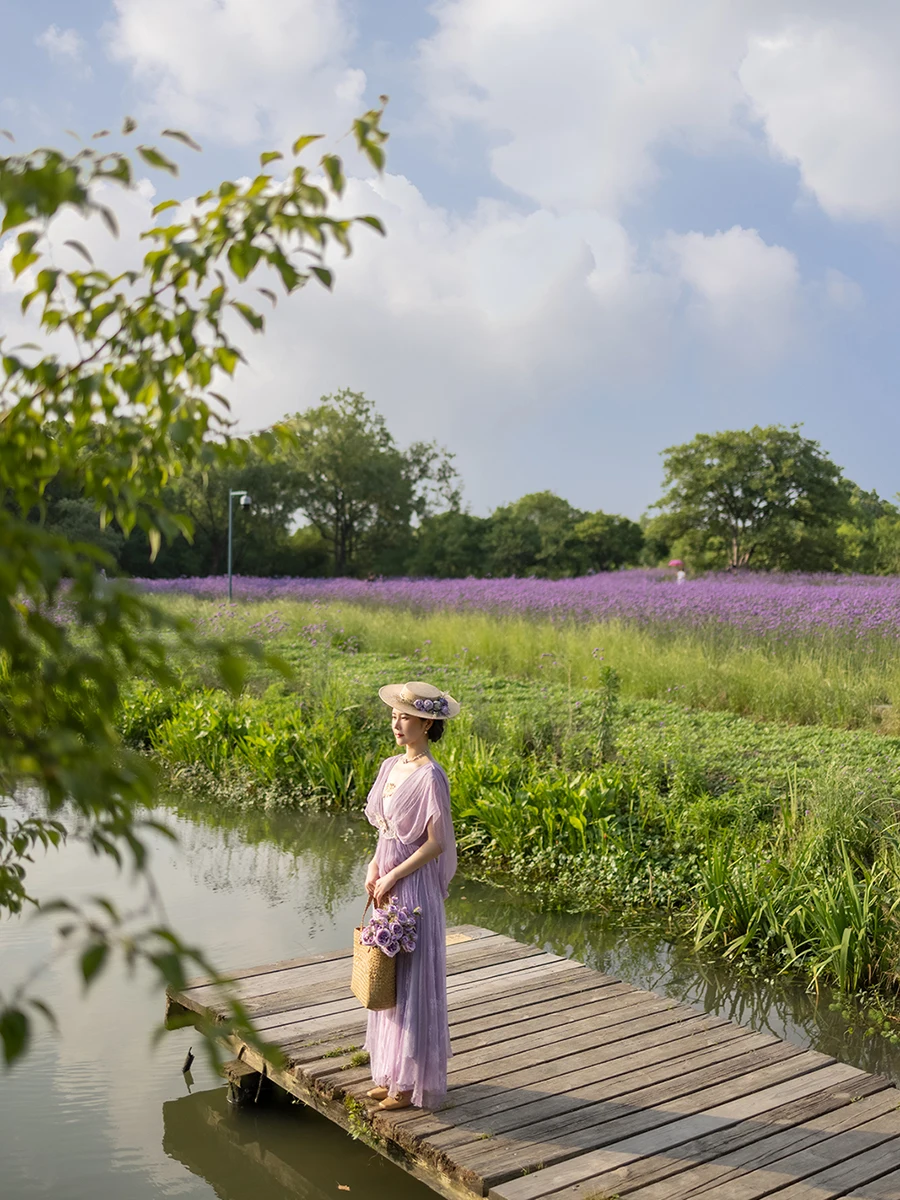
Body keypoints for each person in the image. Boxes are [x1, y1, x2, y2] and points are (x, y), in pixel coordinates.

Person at [362, 680, 459, 1112]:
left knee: (415, 981)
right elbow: (384, 831)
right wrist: (373, 868)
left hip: (414, 886)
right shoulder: (390, 766)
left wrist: (393, 875)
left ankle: (409, 1084)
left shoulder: (431, 775)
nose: (396, 723)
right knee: (389, 977)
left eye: (405, 717)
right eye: (395, 716)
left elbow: (436, 843)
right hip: (388, 881)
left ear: (426, 723)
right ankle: (390, 1073)